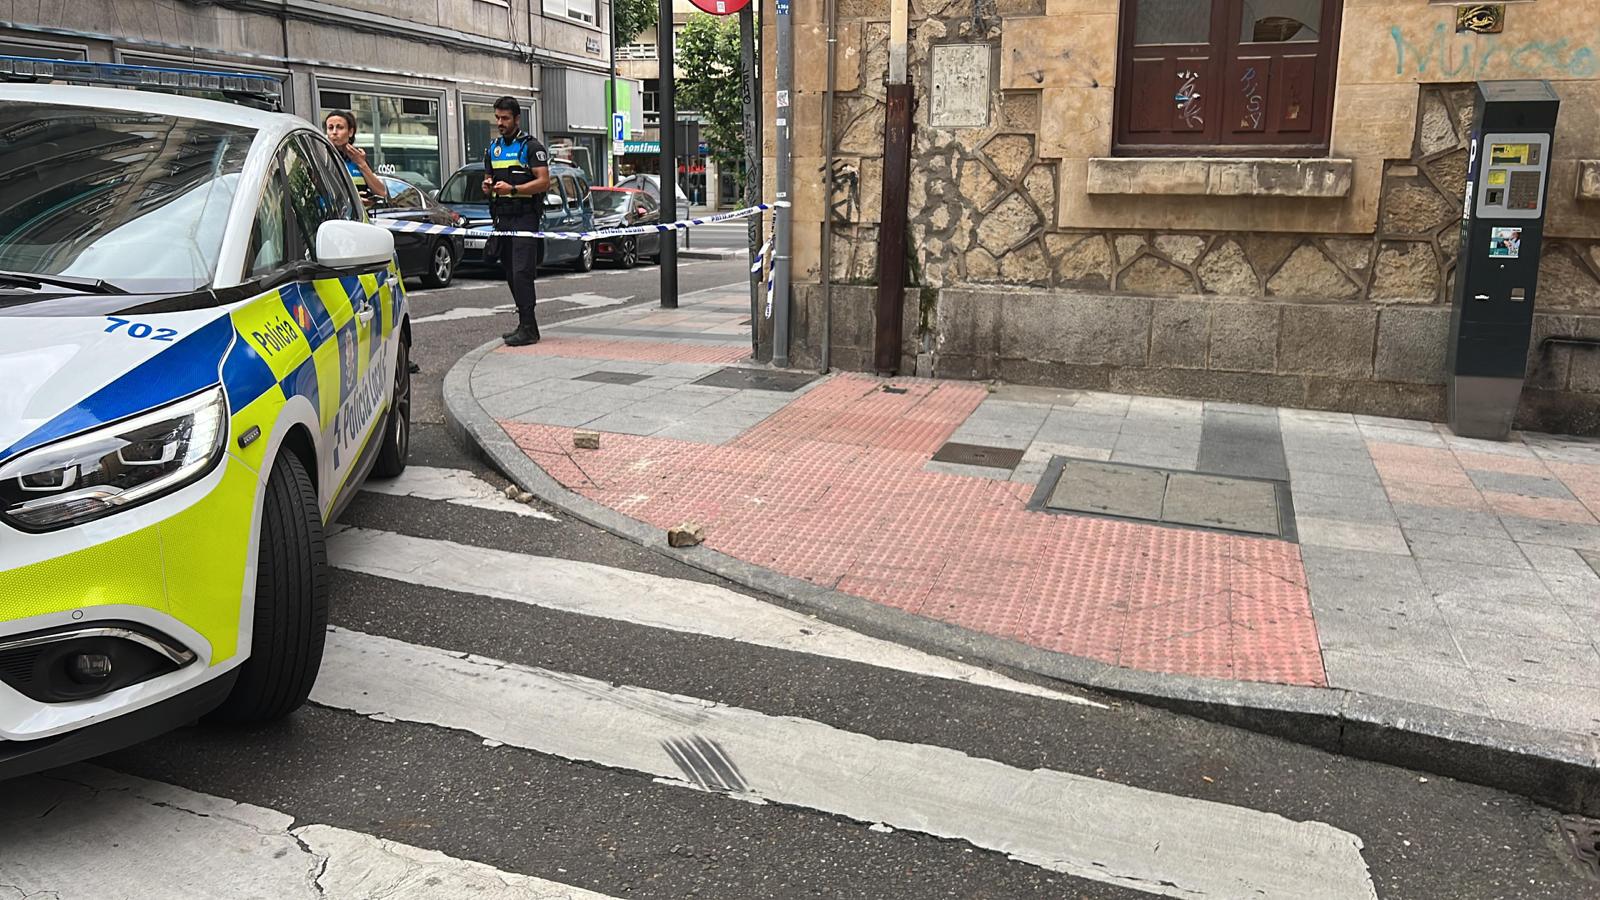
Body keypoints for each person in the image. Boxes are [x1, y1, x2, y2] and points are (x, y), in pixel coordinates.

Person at [482, 96, 552, 347]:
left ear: (517, 118)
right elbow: (488, 181)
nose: (500, 122)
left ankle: (528, 328)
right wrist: (488, 186)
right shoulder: (493, 148)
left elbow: (544, 182)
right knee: (511, 272)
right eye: (497, 118)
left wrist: (512, 190)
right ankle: (526, 325)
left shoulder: (531, 146)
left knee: (522, 271)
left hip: (525, 216)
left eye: (505, 118)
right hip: (502, 217)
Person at [323, 111, 387, 206]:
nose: (334, 132)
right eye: (330, 128)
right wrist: (353, 201)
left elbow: (382, 192)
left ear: (350, 132)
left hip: (360, 219)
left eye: (340, 127)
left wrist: (361, 163)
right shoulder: (322, 158)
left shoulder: (359, 159)